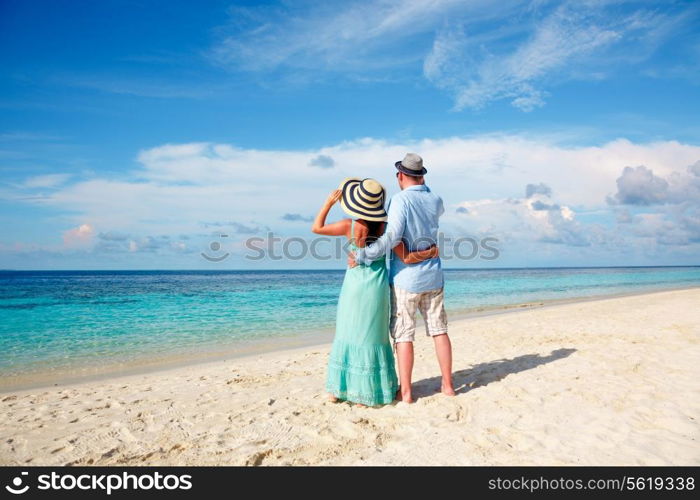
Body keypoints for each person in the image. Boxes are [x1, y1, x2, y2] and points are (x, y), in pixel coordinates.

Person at [312, 177, 438, 407]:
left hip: (353, 287)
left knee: (348, 332)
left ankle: (338, 391)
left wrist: (329, 203)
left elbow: (316, 227)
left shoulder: (347, 226)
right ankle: (365, 394)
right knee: (371, 336)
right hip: (376, 288)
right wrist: (429, 252)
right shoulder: (385, 228)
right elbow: (405, 253)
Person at [349, 153, 454, 404]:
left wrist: (363, 255)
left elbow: (393, 237)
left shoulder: (400, 200)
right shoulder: (436, 200)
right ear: (422, 175)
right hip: (433, 275)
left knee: (404, 335)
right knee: (439, 331)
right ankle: (448, 386)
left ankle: (406, 392)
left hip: (407, 280)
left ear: (400, 175)